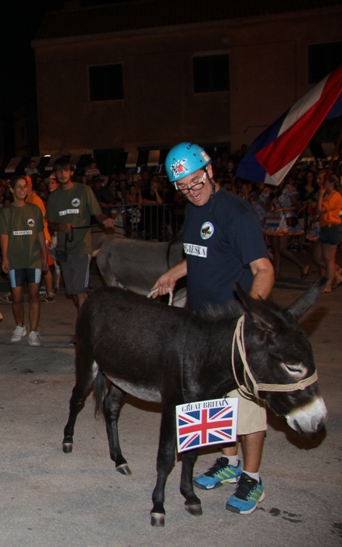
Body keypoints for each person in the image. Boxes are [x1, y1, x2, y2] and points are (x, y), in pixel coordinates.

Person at [151, 142, 275, 515]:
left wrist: (247, 319)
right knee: (214, 401)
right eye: (183, 187)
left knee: (246, 407)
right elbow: (200, 254)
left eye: (196, 181)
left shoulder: (237, 213)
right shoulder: (194, 208)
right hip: (202, 326)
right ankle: (229, 461)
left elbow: (264, 269)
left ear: (209, 171)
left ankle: (252, 478)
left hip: (233, 328)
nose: (192, 191)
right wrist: (173, 274)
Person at [45, 157, 114, 319]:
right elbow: (51, 225)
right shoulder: (54, 197)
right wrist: (60, 227)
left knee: (80, 291)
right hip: (64, 249)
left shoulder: (84, 190)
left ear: (72, 172)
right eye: (59, 171)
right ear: (55, 174)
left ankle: (84, 328)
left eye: (65, 170)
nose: (62, 174)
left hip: (81, 248)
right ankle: (90, 319)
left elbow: (97, 213)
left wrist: (104, 220)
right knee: (73, 292)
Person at [0, 175, 48, 346]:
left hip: (33, 259)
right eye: (18, 186)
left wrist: (44, 255)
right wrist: (5, 257)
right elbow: (4, 235)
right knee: (17, 298)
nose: (22, 189)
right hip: (15, 260)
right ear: (11, 189)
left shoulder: (34, 210)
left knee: (34, 296)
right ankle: (20, 326)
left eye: (24, 186)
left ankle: (33, 331)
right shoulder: (6, 212)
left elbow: (40, 233)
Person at [317, 173, 342, 292]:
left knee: (328, 259)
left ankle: (329, 285)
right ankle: (337, 275)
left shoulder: (335, 196)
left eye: (324, 181)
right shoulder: (329, 195)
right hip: (326, 227)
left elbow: (320, 210)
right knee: (319, 258)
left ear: (331, 183)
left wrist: (320, 196)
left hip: (332, 227)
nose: (321, 183)